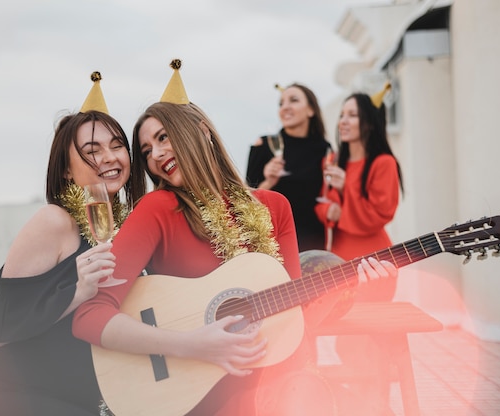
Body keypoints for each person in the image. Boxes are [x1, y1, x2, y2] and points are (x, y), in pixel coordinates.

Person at [72, 59, 397, 416]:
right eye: (147, 150)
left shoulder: (275, 207)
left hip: (277, 388)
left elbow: (294, 316)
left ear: (203, 131)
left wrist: (354, 287)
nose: (157, 155)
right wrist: (189, 345)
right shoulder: (157, 209)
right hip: (200, 392)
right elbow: (89, 315)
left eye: (163, 137)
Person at [0, 72, 141, 416]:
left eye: (117, 146)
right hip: (18, 398)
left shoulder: (125, 226)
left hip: (88, 403)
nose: (110, 157)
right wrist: (78, 292)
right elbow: (0, 331)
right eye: (92, 150)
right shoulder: (55, 221)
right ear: (67, 171)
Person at [315, 82, 404, 302]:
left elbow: (377, 215)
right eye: (342, 115)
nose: (343, 122)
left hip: (375, 258)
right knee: (343, 327)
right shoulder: (332, 161)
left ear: (369, 123)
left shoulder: (384, 163)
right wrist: (328, 212)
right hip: (338, 257)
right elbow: (319, 202)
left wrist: (347, 188)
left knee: (373, 326)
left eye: (352, 115)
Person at [246, 83, 333, 252]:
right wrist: (268, 182)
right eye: (281, 103)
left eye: (293, 100)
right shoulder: (264, 146)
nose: (285, 107)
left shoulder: (324, 149)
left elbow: (328, 195)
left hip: (312, 243)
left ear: (311, 110)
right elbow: (246, 202)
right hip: (273, 240)